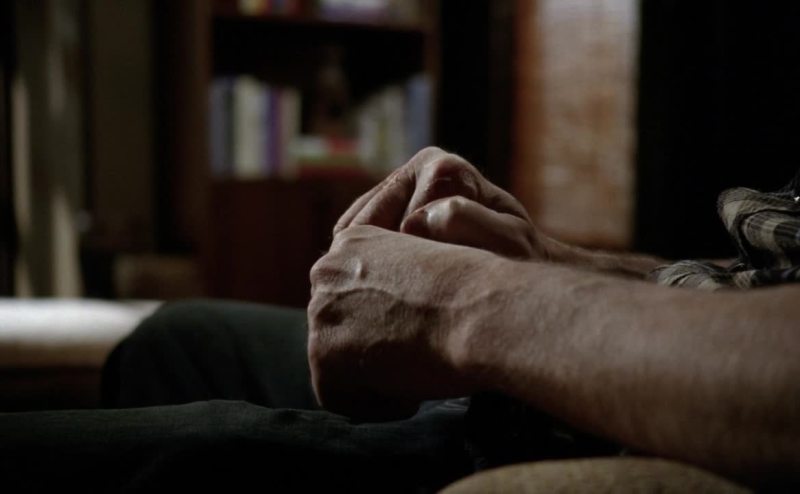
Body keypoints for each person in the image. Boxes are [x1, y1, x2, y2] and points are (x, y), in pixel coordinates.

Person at [2, 147, 798, 491]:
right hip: (659, 354)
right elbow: (763, 279)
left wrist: (467, 304)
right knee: (181, 338)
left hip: (669, 429)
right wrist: (550, 259)